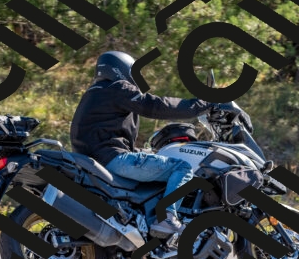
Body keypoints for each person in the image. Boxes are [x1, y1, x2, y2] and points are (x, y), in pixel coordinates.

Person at [70, 51, 252, 240]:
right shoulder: (117, 88)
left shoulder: (94, 94)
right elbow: (154, 106)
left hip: (95, 162)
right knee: (182, 167)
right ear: (120, 69)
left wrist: (142, 152)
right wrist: (203, 103)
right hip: (113, 160)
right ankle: (167, 218)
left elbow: (104, 135)